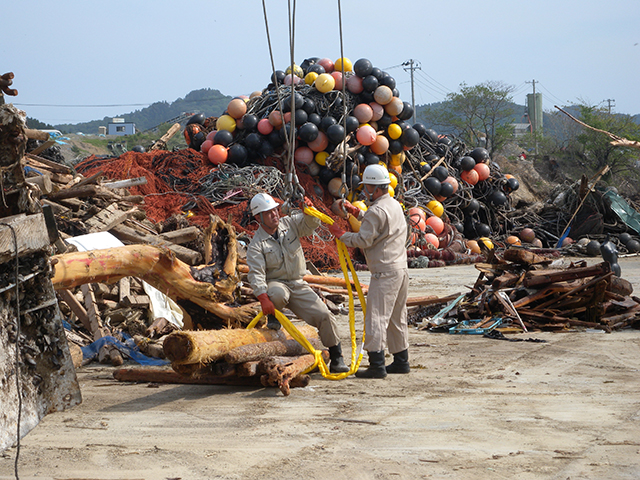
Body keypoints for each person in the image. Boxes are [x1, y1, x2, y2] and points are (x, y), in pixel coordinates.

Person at [246, 192, 349, 373]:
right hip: (276, 284)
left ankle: (336, 355)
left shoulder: (289, 224)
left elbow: (310, 225)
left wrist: (309, 211)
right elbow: (256, 274)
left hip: (297, 283)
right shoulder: (256, 244)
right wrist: (263, 297)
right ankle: (274, 315)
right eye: (269, 213)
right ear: (258, 217)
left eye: (275, 210)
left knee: (324, 314)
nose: (274, 214)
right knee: (277, 294)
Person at [329, 164, 409, 379]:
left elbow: (363, 239)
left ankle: (377, 365)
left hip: (384, 271)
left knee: (376, 317)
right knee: (396, 317)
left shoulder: (375, 211)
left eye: (367, 188)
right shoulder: (394, 204)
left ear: (375, 188)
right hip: (400, 269)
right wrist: (359, 213)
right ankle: (401, 360)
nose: (365, 192)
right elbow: (381, 223)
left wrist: (341, 234)